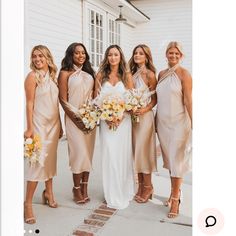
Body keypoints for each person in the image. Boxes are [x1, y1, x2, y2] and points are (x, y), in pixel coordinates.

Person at [24, 45, 62, 224]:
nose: (37, 59)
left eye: (41, 56)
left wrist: (60, 125)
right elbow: (29, 104)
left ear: (48, 57)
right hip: (39, 125)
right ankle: (28, 204)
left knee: (50, 161)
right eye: (34, 56)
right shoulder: (32, 77)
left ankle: (48, 193)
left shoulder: (54, 77)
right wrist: (29, 128)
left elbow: (56, 104)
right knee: (37, 164)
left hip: (53, 125)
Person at [94, 45, 135, 209]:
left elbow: (131, 100)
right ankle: (111, 191)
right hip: (106, 122)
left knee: (121, 155)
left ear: (120, 57)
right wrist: (107, 116)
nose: (112, 57)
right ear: (106, 57)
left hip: (123, 122)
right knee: (109, 155)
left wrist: (120, 116)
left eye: (115, 55)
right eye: (110, 55)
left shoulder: (127, 75)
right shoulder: (100, 75)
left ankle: (123, 189)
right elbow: (95, 100)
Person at [156, 42, 192, 218]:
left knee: (177, 161)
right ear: (166, 54)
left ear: (181, 56)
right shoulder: (161, 74)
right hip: (163, 124)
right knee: (170, 161)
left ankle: (176, 199)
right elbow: (158, 99)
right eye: (171, 53)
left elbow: (188, 100)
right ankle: (173, 193)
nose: (173, 56)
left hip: (179, 123)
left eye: (177, 54)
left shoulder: (184, 74)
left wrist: (194, 123)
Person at [58, 43, 96, 204]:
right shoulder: (65, 73)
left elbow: (95, 96)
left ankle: (85, 188)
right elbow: (62, 100)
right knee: (78, 154)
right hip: (74, 120)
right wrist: (76, 120)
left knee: (87, 155)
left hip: (91, 119)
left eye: (83, 53)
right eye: (76, 53)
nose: (80, 56)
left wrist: (93, 116)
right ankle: (76, 189)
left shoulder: (90, 73)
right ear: (70, 55)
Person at [128, 44, 157, 203]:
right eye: (135, 53)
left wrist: (144, 109)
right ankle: (140, 186)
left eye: (141, 53)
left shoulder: (150, 75)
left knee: (144, 151)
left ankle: (148, 186)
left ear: (146, 56)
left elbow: (154, 99)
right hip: (133, 118)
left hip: (145, 118)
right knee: (136, 151)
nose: (137, 55)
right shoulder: (131, 73)